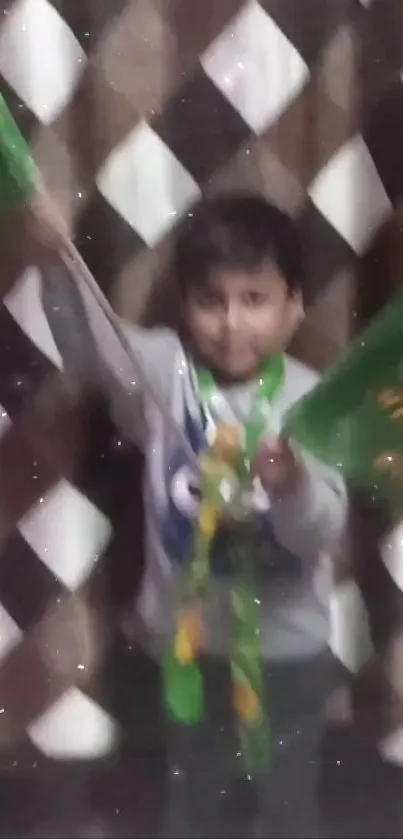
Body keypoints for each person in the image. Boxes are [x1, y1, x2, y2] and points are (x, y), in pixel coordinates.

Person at [36, 191, 347, 835]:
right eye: (212, 301)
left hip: (288, 656)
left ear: (295, 308)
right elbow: (88, 346)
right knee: (188, 804)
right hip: (185, 652)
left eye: (255, 301)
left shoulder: (314, 404)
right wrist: (53, 263)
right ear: (185, 304)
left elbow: (324, 532)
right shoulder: (164, 373)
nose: (232, 325)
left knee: (289, 807)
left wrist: (292, 485)